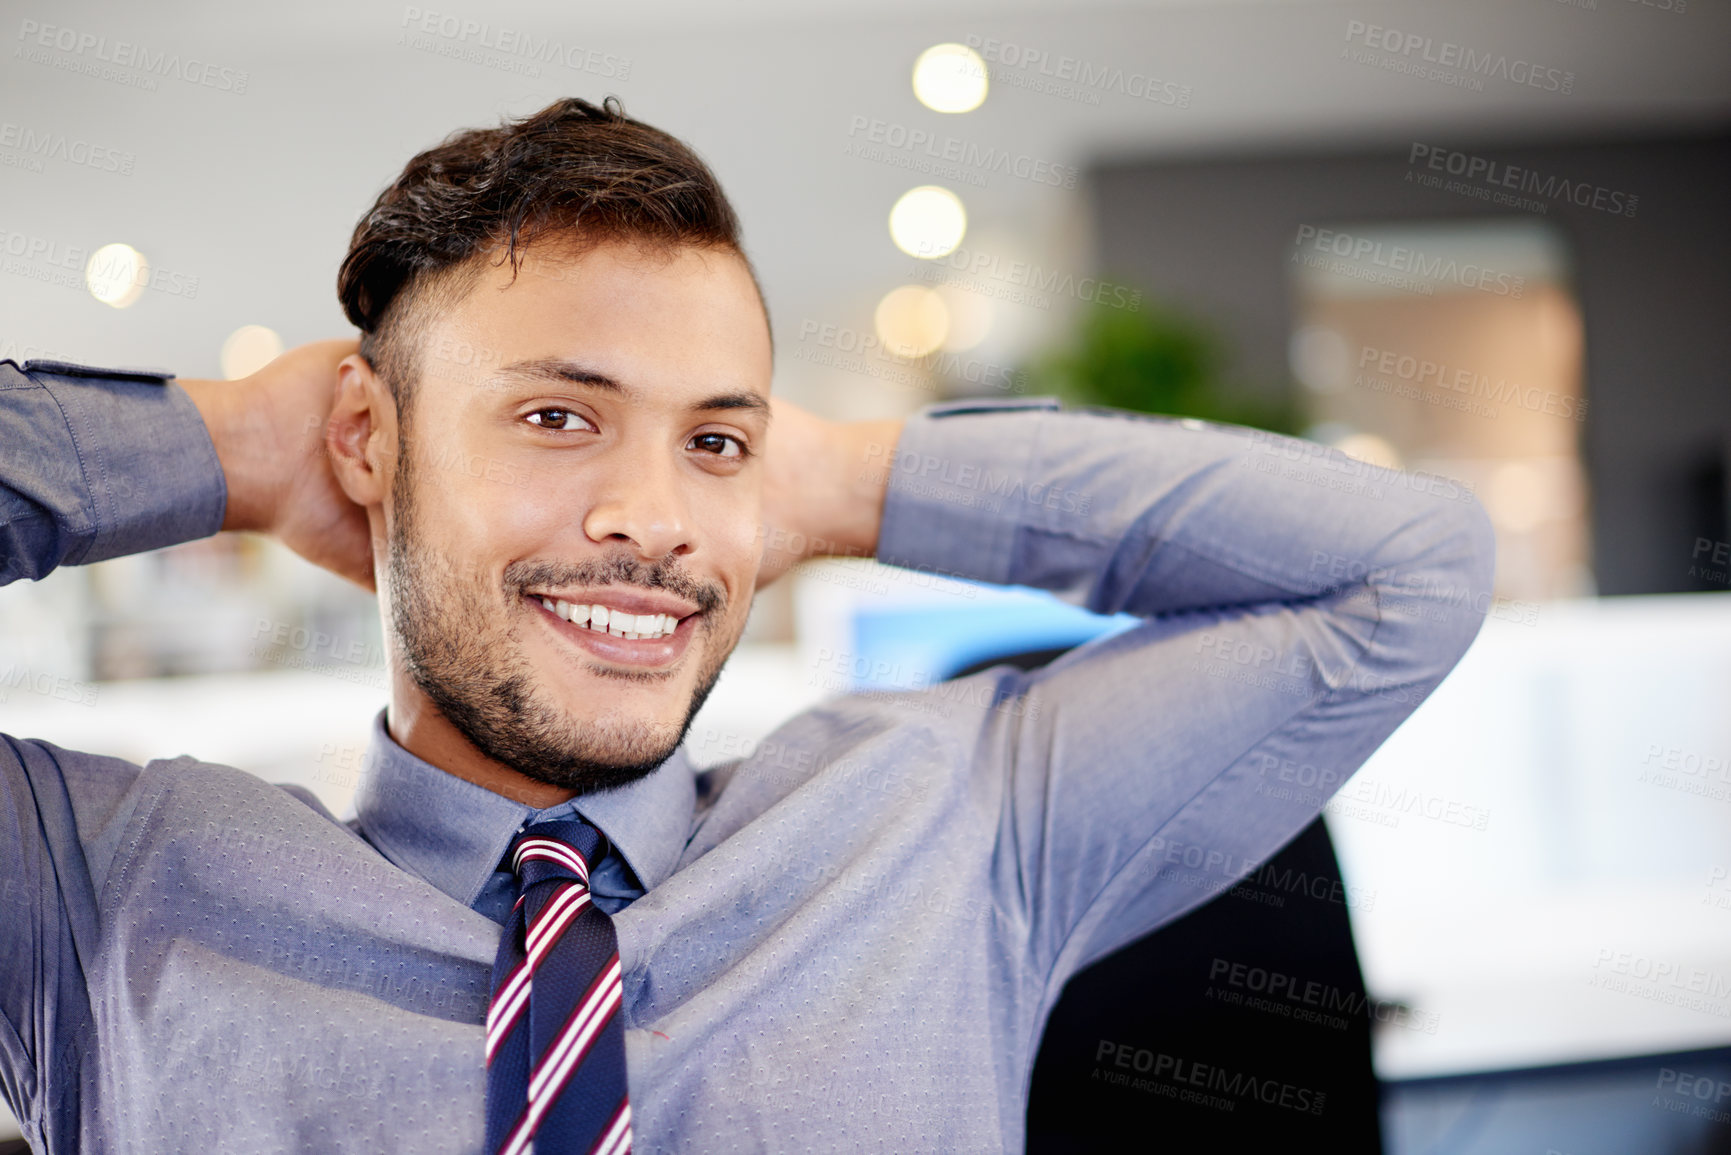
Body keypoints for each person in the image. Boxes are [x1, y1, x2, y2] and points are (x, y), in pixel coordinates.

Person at [0, 96, 1495, 1154]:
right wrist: (232, 448)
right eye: (556, 415)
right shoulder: (103, 893)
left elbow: (1405, 570)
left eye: (712, 444)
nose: (654, 518)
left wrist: (842, 477)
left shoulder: (947, 822)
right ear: (372, 443)